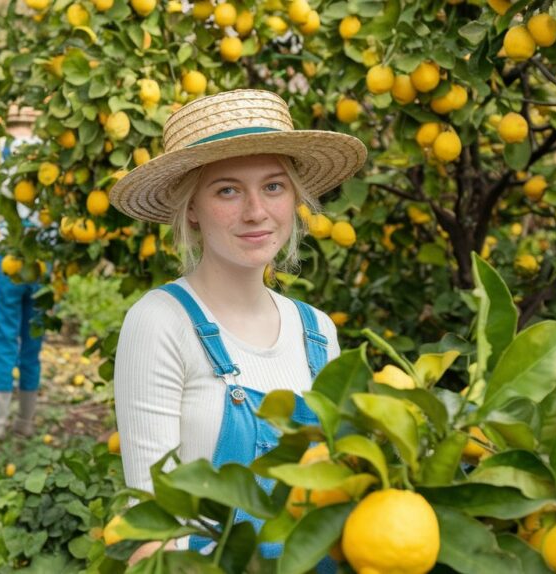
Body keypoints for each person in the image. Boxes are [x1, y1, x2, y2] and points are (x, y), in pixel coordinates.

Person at [109, 89, 366, 562]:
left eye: (273, 186)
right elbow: (152, 527)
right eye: (227, 189)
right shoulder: (161, 322)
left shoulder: (318, 332)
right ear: (191, 207)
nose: (255, 211)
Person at [0, 104, 45, 439]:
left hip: (10, 260)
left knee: (3, 337)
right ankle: (26, 422)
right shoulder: (51, 162)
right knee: (34, 339)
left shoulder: (3, 159)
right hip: (43, 262)